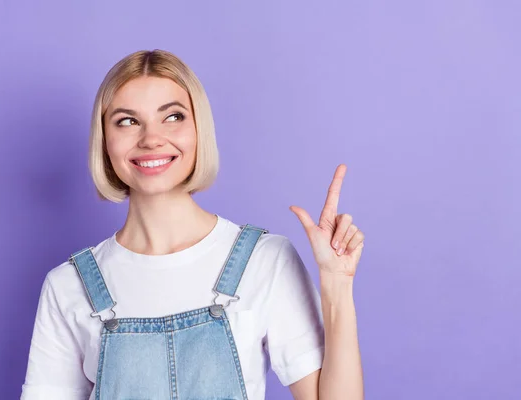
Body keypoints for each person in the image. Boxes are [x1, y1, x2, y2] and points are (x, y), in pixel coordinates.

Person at [20, 49, 365, 400]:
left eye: (172, 116)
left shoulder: (264, 260)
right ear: (104, 140)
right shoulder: (68, 287)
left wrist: (337, 286)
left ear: (199, 129)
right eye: (127, 121)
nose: (151, 138)